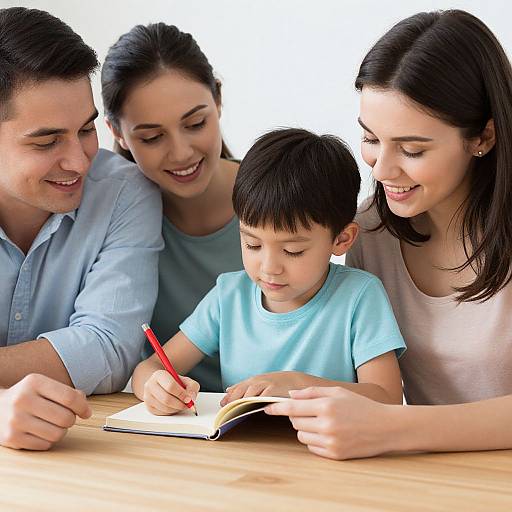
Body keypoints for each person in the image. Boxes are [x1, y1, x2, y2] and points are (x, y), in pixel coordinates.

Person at [266, 9, 512, 460]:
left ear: (483, 137)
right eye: (371, 139)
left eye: (412, 149)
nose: (381, 169)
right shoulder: (370, 232)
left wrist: (396, 428)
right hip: (419, 477)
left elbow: (389, 419)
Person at [132, 128, 406, 414]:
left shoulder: (359, 296)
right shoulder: (229, 296)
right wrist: (156, 386)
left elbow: (386, 397)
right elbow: (148, 369)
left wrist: (298, 384)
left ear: (341, 239)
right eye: (252, 244)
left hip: (328, 452)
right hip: (243, 451)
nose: (268, 268)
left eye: (292, 251)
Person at [0, 7, 163, 450]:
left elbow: (109, 348)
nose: (79, 160)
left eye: (86, 128)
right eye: (47, 140)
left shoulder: (124, 192)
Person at [101, 23, 243, 393]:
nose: (181, 152)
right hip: (172, 430)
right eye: (151, 137)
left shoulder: (280, 198)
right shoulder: (112, 223)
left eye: (196, 123)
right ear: (117, 132)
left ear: (218, 101)